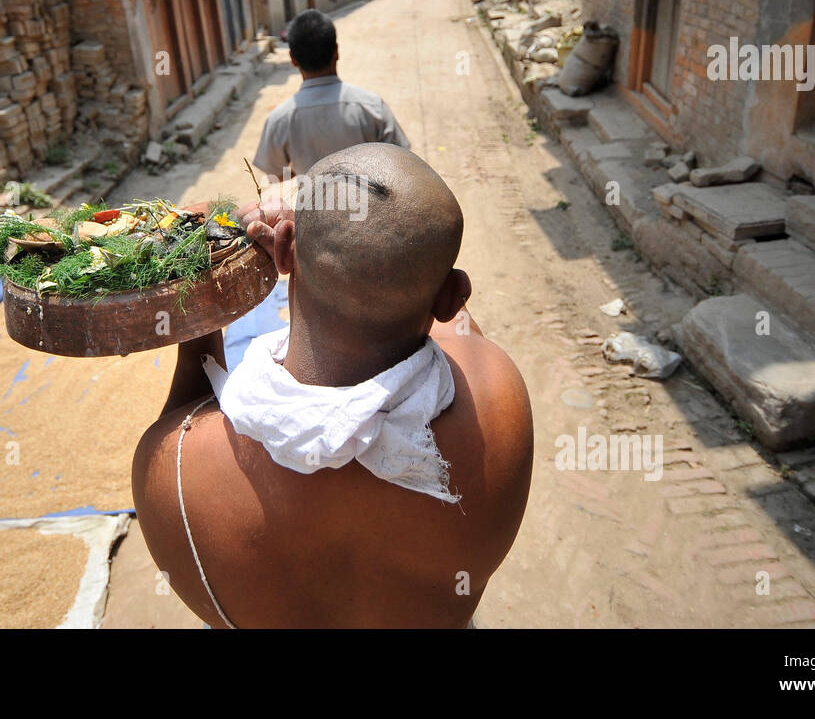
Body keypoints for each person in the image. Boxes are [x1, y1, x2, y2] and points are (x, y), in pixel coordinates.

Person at [132, 144, 534, 628]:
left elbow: (187, 417)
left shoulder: (172, 472)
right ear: (452, 296)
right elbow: (454, 322)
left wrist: (205, 309)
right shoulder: (498, 401)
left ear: (283, 251)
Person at [252, 9, 411, 180]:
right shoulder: (373, 107)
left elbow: (275, 174)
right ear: (336, 52)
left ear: (293, 59)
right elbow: (403, 164)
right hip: (369, 205)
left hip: (314, 204)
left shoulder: (280, 119)